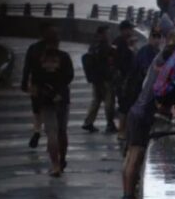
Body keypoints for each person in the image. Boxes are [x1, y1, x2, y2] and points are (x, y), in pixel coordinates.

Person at [120, 37, 175, 199]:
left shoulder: (155, 68)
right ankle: (128, 198)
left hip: (135, 112)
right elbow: (161, 103)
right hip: (142, 116)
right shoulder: (163, 76)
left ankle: (126, 196)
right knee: (135, 157)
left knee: (130, 156)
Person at [30, 26, 74, 177]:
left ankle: (55, 165)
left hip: (46, 99)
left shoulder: (38, 59)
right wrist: (59, 91)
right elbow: (69, 77)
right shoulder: (65, 57)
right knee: (62, 131)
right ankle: (62, 159)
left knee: (51, 133)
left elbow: (35, 81)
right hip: (62, 98)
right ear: (58, 41)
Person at [21, 23, 51, 148]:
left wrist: (24, 82)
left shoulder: (33, 48)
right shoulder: (53, 49)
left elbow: (27, 67)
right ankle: (50, 135)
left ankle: (37, 131)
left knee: (36, 109)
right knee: (48, 109)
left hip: (35, 83)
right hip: (49, 84)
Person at [82, 25, 116, 133]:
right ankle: (110, 124)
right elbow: (108, 62)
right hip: (105, 78)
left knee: (96, 100)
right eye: (107, 32)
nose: (109, 35)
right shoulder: (105, 46)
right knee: (109, 101)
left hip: (95, 78)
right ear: (103, 33)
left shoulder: (93, 45)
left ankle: (88, 122)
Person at [112, 20, 137, 139]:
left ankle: (125, 130)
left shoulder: (122, 42)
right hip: (122, 80)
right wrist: (130, 48)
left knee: (127, 104)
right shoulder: (120, 43)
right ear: (124, 30)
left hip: (127, 79)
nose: (132, 31)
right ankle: (121, 131)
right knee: (124, 106)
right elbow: (120, 61)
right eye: (130, 29)